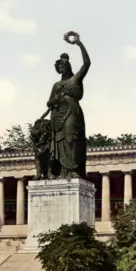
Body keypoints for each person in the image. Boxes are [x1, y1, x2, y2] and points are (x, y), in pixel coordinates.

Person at [46, 32, 91, 179]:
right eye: (59, 67)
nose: (61, 69)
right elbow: (49, 101)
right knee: (59, 142)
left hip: (71, 110)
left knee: (71, 139)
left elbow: (87, 64)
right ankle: (63, 171)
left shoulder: (75, 79)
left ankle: (73, 169)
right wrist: (53, 101)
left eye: (63, 66)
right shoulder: (56, 85)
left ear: (68, 66)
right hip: (57, 115)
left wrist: (79, 44)